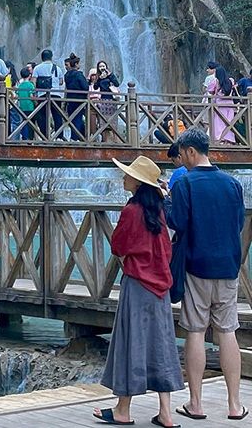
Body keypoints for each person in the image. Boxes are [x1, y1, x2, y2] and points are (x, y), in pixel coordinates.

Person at [94, 155, 183, 428]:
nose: (124, 177)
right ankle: (166, 413)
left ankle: (123, 409)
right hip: (160, 287)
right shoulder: (158, 210)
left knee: (130, 342)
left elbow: (118, 244)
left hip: (137, 283)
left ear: (137, 182)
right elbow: (165, 250)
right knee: (162, 345)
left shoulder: (131, 211)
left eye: (128, 174)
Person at [166, 128, 246, 421]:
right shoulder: (232, 184)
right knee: (227, 332)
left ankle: (196, 403)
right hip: (227, 267)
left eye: (183, 154)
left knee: (196, 332)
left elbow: (177, 222)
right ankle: (235, 405)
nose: (182, 160)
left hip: (196, 267)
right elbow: (238, 223)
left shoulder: (185, 183)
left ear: (189, 151)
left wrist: (165, 199)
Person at [32, 48, 64, 140]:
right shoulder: (57, 68)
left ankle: (44, 136)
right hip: (56, 94)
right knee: (57, 115)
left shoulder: (37, 68)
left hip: (42, 94)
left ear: (42, 58)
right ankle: (59, 137)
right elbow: (61, 82)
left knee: (42, 116)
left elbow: (33, 82)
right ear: (51, 57)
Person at [206, 64, 235, 143]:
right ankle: (228, 140)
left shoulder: (215, 81)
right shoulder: (231, 81)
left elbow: (210, 90)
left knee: (218, 124)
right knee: (228, 123)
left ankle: (218, 140)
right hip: (230, 106)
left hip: (219, 106)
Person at [93, 60, 120, 143]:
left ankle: (115, 139)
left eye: (103, 66)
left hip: (111, 100)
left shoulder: (110, 76)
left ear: (106, 67)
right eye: (100, 66)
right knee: (103, 120)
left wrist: (110, 75)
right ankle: (104, 139)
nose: (102, 68)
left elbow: (117, 84)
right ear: (98, 68)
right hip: (103, 100)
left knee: (113, 120)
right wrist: (99, 79)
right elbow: (95, 87)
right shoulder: (98, 77)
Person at [63, 52, 88, 142]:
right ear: (76, 64)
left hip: (70, 99)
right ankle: (74, 138)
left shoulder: (67, 75)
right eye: (79, 63)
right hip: (79, 100)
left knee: (73, 119)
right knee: (77, 118)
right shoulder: (78, 75)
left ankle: (82, 136)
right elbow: (85, 87)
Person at [16, 67, 36, 141]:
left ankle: (24, 137)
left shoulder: (20, 85)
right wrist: (35, 102)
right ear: (29, 75)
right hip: (30, 106)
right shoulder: (30, 85)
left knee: (24, 122)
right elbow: (31, 96)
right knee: (31, 123)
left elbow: (17, 96)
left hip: (22, 106)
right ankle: (30, 138)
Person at [5, 60, 20, 137]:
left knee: (7, 121)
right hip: (15, 101)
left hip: (8, 102)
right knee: (15, 121)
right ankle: (15, 138)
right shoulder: (16, 79)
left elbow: (7, 89)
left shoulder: (7, 77)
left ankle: (8, 137)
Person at [88, 67, 101, 138]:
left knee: (101, 121)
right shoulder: (88, 86)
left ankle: (103, 138)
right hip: (91, 104)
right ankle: (93, 137)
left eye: (95, 75)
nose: (94, 77)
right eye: (92, 75)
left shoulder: (100, 85)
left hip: (100, 104)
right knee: (92, 122)